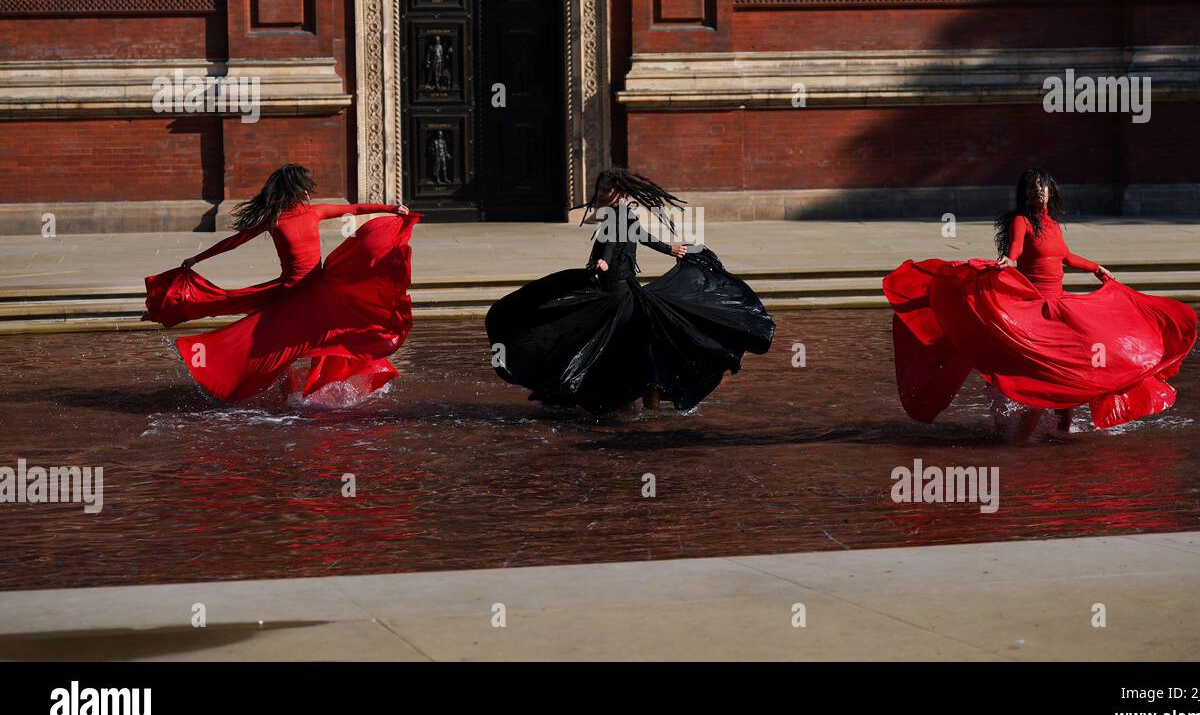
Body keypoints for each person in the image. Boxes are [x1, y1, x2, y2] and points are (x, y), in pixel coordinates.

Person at [883, 168, 1197, 437]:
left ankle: (1061, 430)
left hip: (1062, 309)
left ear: (1050, 191)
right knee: (1039, 373)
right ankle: (1015, 439)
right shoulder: (1022, 221)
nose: (1039, 192)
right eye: (1032, 188)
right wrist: (1007, 260)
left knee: (1077, 367)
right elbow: (1017, 249)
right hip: (1035, 310)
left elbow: (1067, 257)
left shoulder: (1055, 226)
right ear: (1025, 194)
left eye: (1042, 187)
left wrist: (1097, 269)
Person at [485, 168, 774, 413]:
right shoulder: (623, 215)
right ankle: (574, 392)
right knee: (622, 351)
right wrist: (669, 247)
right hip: (618, 291)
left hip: (616, 295)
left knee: (576, 336)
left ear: (621, 193)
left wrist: (603, 261)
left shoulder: (617, 217)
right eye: (600, 187)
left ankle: (557, 388)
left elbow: (611, 246)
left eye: (607, 189)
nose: (601, 193)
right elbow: (639, 236)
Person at [142, 164, 419, 403]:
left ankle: (300, 395)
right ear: (297, 190)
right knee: (276, 338)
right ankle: (295, 396)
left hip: (313, 291)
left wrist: (392, 209)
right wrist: (198, 257)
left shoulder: (312, 212)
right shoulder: (277, 218)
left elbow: (355, 208)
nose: (309, 191)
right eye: (306, 187)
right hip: (290, 294)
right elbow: (233, 242)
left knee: (301, 340)